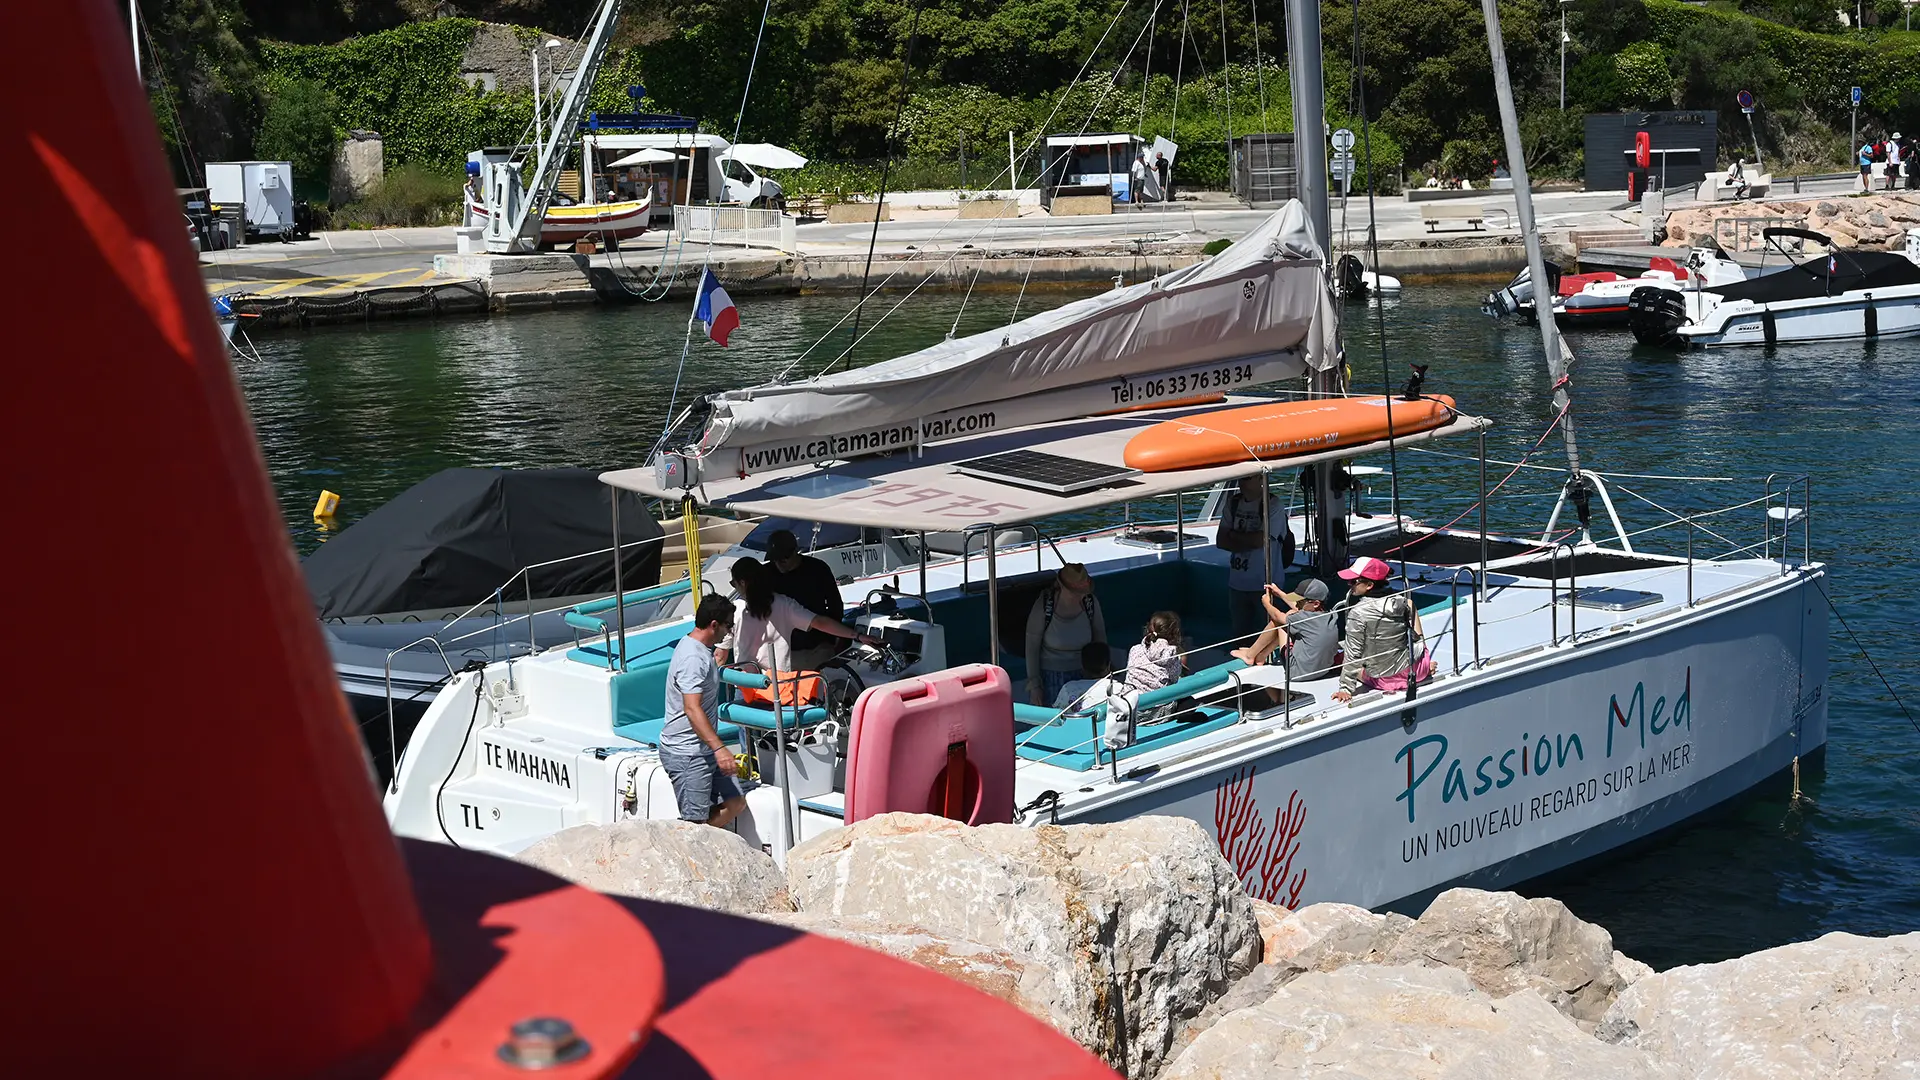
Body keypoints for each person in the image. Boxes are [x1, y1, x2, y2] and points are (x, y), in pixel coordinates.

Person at [659, 595, 747, 827]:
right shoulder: (692, 658)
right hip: (688, 754)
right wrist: (719, 748)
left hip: (703, 749)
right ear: (714, 625)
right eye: (729, 625)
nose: (730, 632)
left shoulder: (701, 649)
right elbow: (691, 708)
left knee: (736, 801)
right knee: (694, 824)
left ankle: (706, 836)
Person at [719, 557, 874, 676]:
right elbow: (819, 622)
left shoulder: (734, 611)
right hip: (778, 688)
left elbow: (720, 654)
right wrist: (857, 635)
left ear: (742, 582)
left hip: (746, 687)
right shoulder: (784, 604)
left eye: (734, 583)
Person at [1329, 557, 1433, 704]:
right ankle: (1426, 662)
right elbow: (1416, 637)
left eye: (1354, 581)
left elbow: (1354, 655)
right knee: (1411, 605)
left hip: (1385, 680)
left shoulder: (1357, 613)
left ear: (1370, 585)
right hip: (1417, 671)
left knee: (1347, 659)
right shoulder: (1402, 602)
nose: (1349, 584)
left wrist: (1345, 689)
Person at [1216, 475, 1294, 643]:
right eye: (1240, 478)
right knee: (1239, 635)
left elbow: (1261, 541)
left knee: (1266, 634)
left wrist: (1234, 537)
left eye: (1246, 478)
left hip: (1266, 585)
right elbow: (1221, 541)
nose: (1240, 482)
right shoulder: (1233, 503)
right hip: (1237, 584)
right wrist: (1248, 540)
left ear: (1260, 479)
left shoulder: (1272, 504)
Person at [1024, 563, 1108, 706]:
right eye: (1075, 592)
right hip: (1051, 678)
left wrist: (1104, 673)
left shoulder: (1090, 603)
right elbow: (1031, 647)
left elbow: (1100, 640)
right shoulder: (1045, 605)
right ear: (1062, 587)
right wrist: (1035, 686)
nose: (1080, 596)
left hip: (1086, 676)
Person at [764, 528, 846, 670]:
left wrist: (831, 640)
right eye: (774, 559)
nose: (779, 564)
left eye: (783, 558)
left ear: (796, 551)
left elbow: (835, 605)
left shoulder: (818, 569)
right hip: (779, 650)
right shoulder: (766, 574)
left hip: (816, 647)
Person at [1231, 578, 1338, 684]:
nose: (1297, 603)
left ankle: (1250, 655)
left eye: (1300, 601)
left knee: (1281, 622)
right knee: (1291, 614)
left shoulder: (1304, 618)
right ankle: (1261, 656)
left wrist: (1266, 603)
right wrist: (1280, 593)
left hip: (1297, 673)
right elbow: (1298, 609)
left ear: (1316, 603)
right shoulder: (1331, 615)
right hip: (1323, 671)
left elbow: (1277, 617)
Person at [1124, 611, 1184, 691]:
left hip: (1132, 700)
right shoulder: (1173, 657)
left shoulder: (1134, 649)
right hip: (1160, 702)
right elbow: (1174, 679)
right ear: (1174, 634)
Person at [1053, 643, 1116, 709]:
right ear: (1109, 665)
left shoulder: (1068, 688)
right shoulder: (1117, 689)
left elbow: (1057, 712)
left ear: (1082, 666)